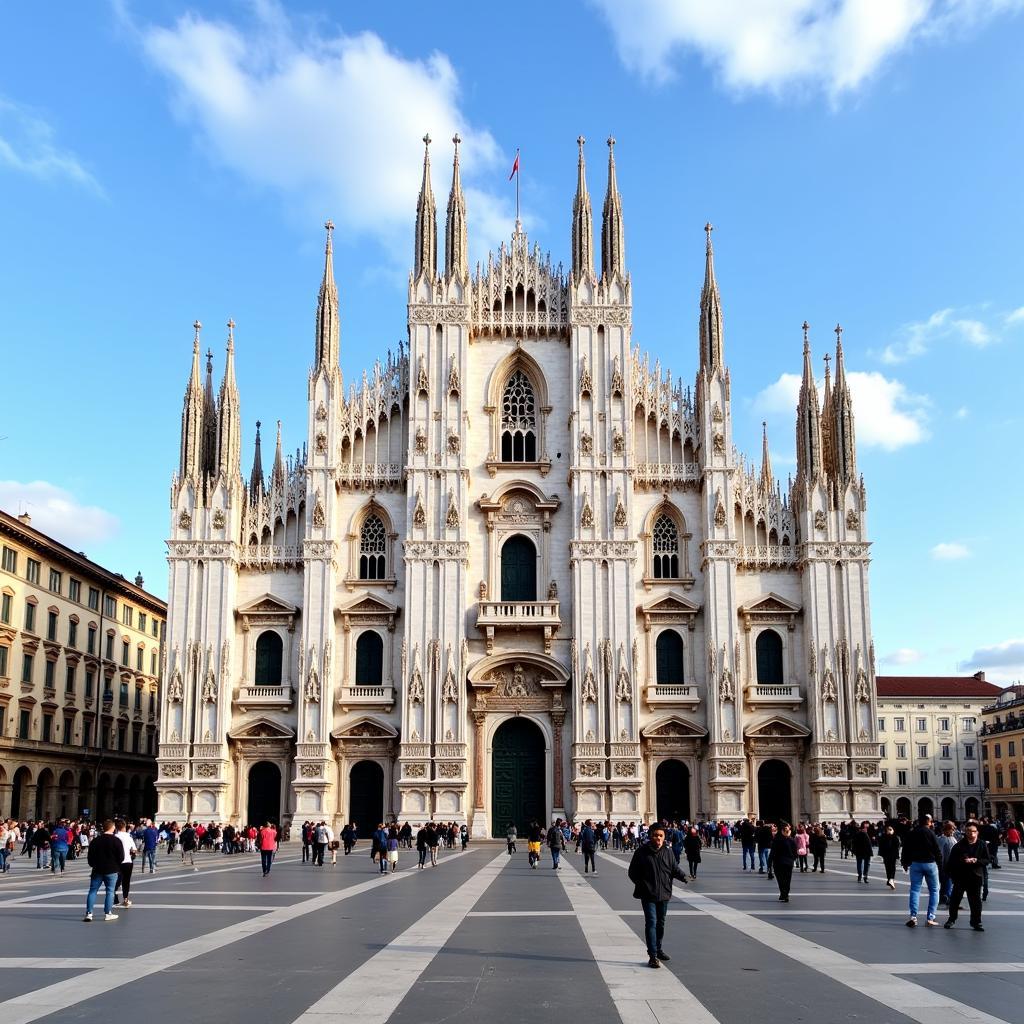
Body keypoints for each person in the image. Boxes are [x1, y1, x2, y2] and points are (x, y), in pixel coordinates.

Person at [627, 822, 688, 968]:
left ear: (664, 836)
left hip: (664, 893)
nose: (658, 838)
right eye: (655, 835)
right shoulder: (641, 852)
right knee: (651, 923)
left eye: (661, 835)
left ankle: (659, 949)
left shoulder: (668, 852)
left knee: (661, 923)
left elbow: (673, 868)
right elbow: (632, 872)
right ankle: (652, 955)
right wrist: (642, 886)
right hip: (648, 894)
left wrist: (684, 877)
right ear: (650, 836)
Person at [944, 821, 990, 931]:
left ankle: (976, 922)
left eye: (974, 831)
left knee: (975, 901)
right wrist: (953, 875)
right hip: (961, 876)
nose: (971, 834)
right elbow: (951, 862)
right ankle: (952, 919)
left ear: (977, 832)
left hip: (976, 876)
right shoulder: (958, 846)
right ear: (965, 832)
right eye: (969, 831)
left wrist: (976, 860)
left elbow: (987, 859)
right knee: (955, 899)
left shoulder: (982, 844)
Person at [901, 814, 942, 927]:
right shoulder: (931, 833)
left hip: (916, 864)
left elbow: (906, 848)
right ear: (928, 822)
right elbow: (937, 850)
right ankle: (930, 917)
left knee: (915, 890)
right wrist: (940, 865)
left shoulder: (912, 833)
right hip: (930, 864)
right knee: (934, 890)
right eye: (931, 821)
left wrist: (904, 863)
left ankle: (913, 917)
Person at [83, 820, 122, 922]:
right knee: (110, 891)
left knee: (92, 891)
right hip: (112, 870)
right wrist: (116, 866)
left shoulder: (95, 841)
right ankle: (108, 913)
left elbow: (90, 857)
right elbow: (121, 857)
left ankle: (89, 913)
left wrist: (93, 865)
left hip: (97, 869)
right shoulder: (116, 840)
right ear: (112, 828)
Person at [770, 823, 798, 901]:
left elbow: (773, 852)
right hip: (788, 863)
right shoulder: (791, 840)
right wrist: (793, 859)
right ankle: (785, 894)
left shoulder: (776, 840)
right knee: (787, 879)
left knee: (781, 879)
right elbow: (795, 853)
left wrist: (769, 863)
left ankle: (783, 894)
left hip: (778, 863)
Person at [877, 824, 901, 888]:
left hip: (891, 855)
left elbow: (898, 845)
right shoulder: (885, 837)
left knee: (890, 867)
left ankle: (890, 880)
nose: (890, 831)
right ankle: (891, 879)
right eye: (889, 829)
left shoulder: (895, 837)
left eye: (891, 829)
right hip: (888, 855)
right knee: (890, 868)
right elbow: (881, 845)